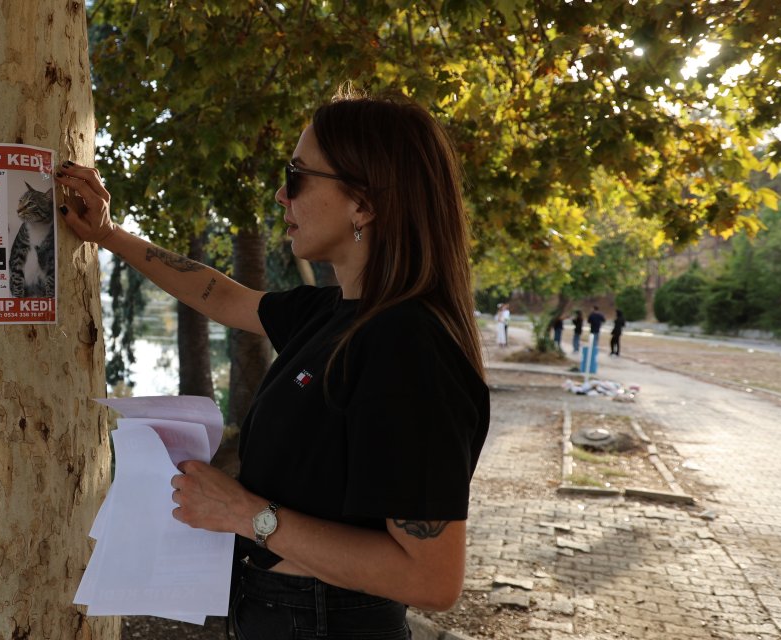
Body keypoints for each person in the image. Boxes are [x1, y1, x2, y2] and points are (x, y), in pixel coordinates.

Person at [57, 89, 489, 639]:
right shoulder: (336, 315)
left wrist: (246, 514)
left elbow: (431, 579)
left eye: (299, 175)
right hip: (278, 613)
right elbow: (219, 295)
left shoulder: (408, 347)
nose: (282, 195)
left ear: (365, 204)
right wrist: (107, 234)